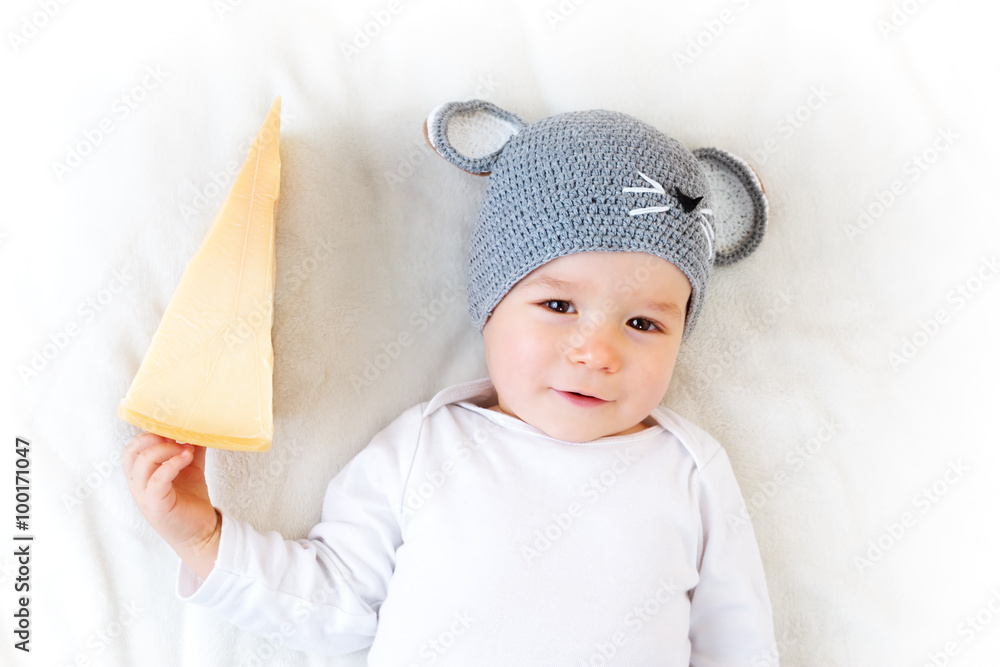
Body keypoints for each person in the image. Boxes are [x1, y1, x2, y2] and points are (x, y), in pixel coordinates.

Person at [123, 100, 777, 665]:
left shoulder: (689, 471)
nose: (596, 351)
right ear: (491, 306)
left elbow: (739, 644)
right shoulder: (426, 448)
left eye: (642, 322)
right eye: (558, 306)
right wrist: (205, 538)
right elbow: (335, 600)